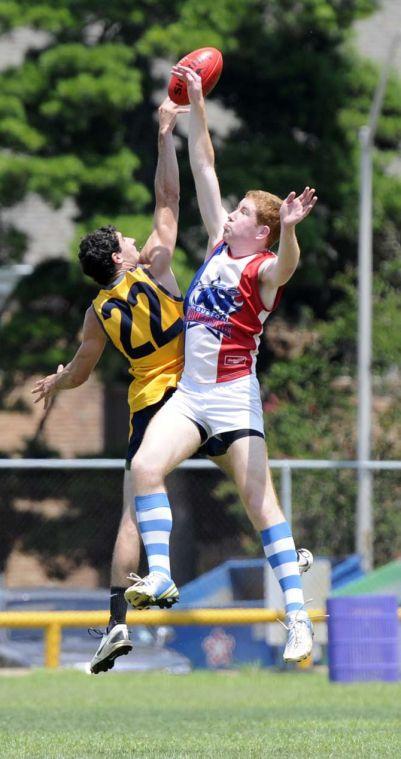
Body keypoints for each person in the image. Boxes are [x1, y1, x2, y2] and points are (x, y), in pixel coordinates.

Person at [125, 65, 318, 663]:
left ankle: (297, 618)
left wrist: (287, 232)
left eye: (240, 213)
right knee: (145, 468)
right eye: (231, 210)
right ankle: (160, 574)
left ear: (258, 232)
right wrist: (198, 104)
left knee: (263, 508)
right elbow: (205, 162)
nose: (228, 213)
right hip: (190, 395)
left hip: (234, 399)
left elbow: (287, 266)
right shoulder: (217, 247)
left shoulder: (261, 269)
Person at [32, 96, 189, 673]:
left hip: (149, 404)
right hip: (196, 393)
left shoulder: (97, 312)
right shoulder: (155, 267)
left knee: (133, 512)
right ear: (124, 258)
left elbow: (80, 371)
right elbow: (169, 199)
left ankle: (119, 620)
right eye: (126, 240)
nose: (133, 239)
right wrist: (165, 135)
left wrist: (56, 382)